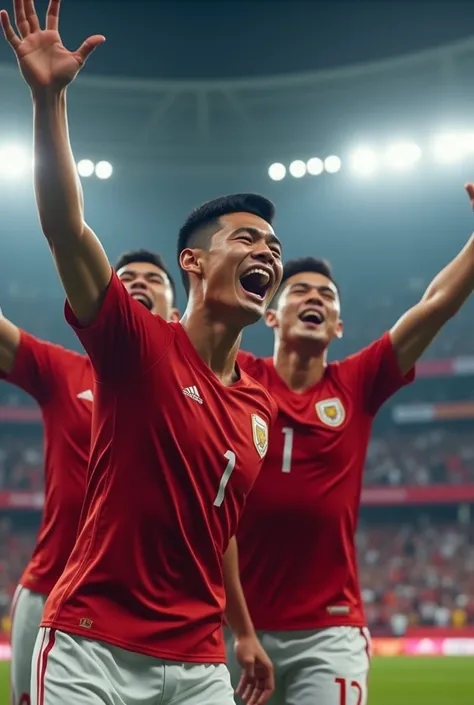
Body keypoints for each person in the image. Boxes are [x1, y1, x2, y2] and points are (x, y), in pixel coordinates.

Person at [1, 1, 283, 703]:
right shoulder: (134, 346)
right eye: (247, 239)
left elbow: (218, 536)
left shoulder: (260, 405)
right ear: (193, 260)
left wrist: (242, 631)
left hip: (196, 664)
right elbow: (67, 230)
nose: (267, 253)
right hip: (90, 645)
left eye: (273, 248)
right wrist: (48, 102)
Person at [228, 230, 474, 705]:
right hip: (233, 625)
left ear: (338, 326)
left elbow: (435, 305)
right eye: (299, 290)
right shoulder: (237, 375)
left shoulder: (356, 383)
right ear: (271, 316)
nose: (315, 297)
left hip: (329, 630)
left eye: (327, 294)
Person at [3, 248, 178, 705]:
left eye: (153, 278)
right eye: (126, 278)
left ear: (176, 313)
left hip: (152, 612)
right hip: (52, 596)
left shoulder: (198, 391)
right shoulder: (64, 370)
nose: (139, 282)